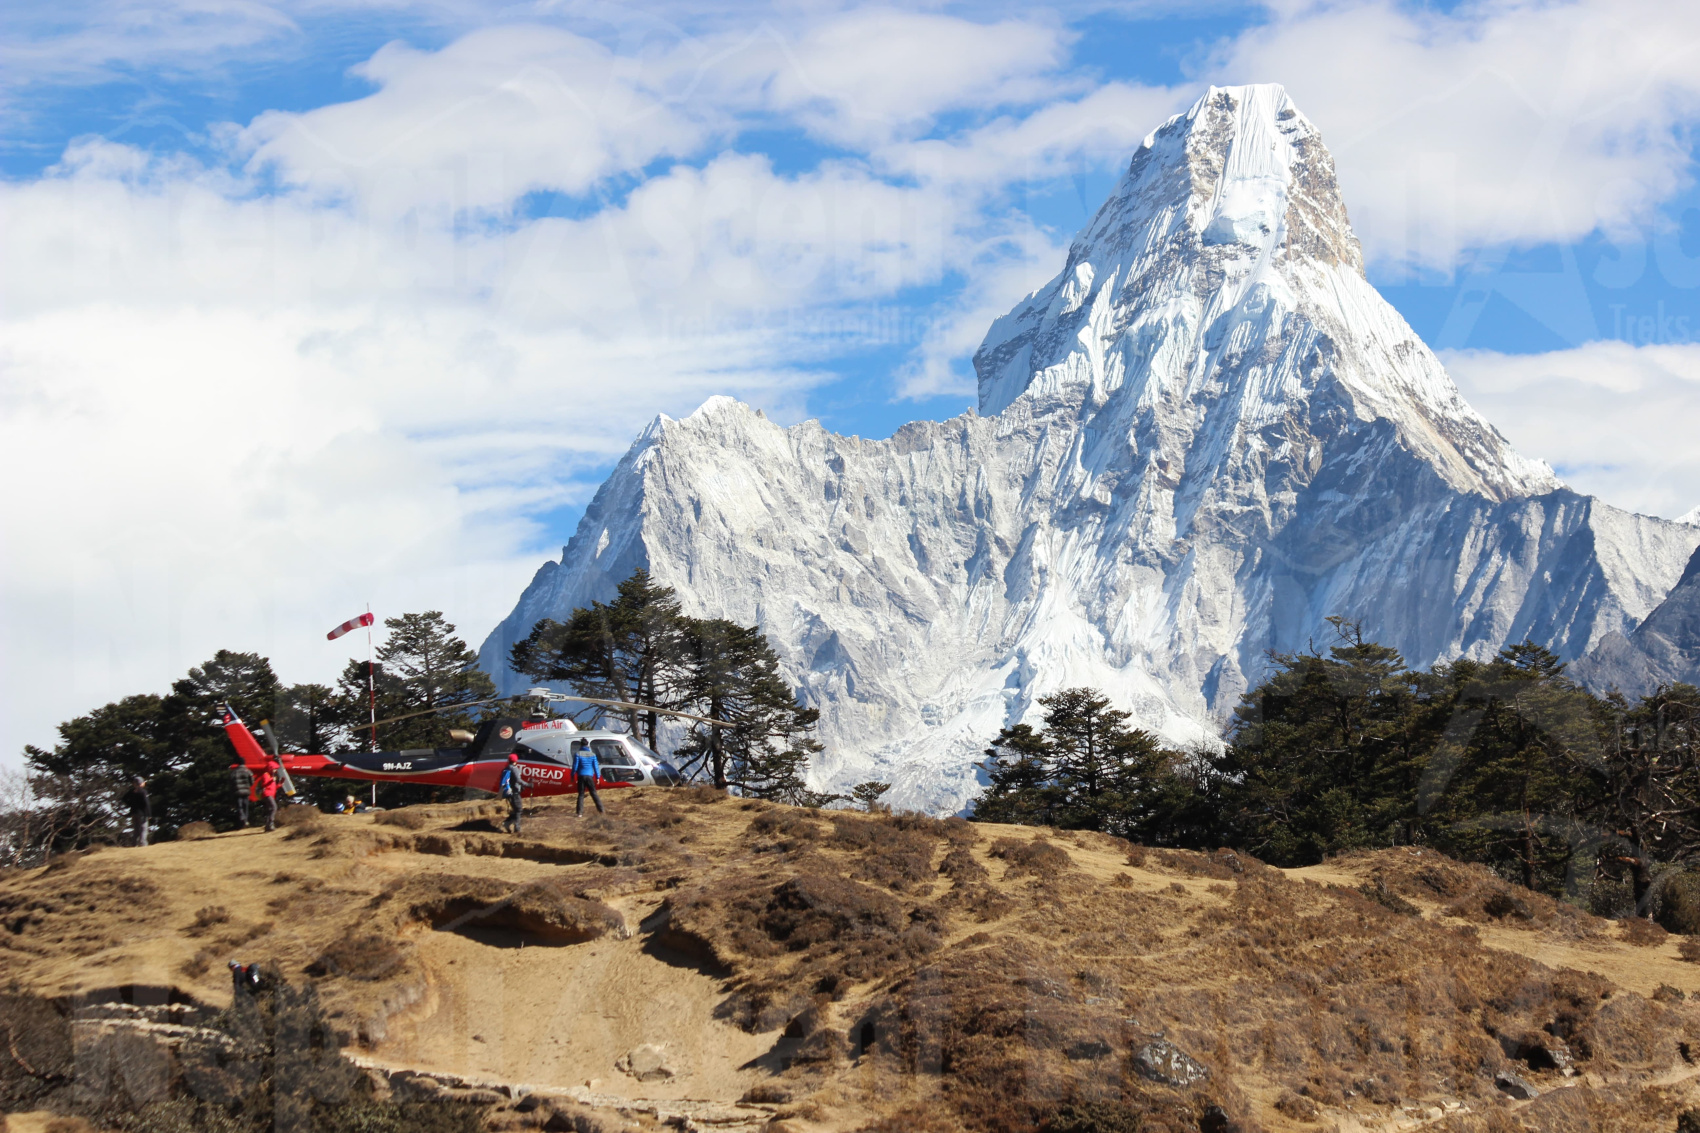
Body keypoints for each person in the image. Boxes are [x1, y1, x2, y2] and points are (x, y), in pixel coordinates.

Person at [572, 740, 604, 817]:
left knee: (581, 794)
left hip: (581, 776)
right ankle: (601, 810)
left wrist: (572, 775)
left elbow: (575, 766)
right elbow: (596, 767)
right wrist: (597, 777)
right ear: (587, 745)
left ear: (581, 745)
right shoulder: (592, 755)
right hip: (589, 776)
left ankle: (579, 813)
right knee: (593, 793)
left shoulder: (578, 754)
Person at [499, 753, 528, 834]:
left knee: (516, 810)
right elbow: (518, 780)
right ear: (516, 760)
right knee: (519, 810)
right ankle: (516, 828)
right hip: (514, 793)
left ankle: (508, 823)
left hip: (509, 793)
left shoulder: (507, 768)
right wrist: (527, 785)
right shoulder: (514, 769)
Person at [121, 776, 151, 846]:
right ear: (141, 783)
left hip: (133, 813)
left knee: (136, 830)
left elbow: (124, 798)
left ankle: (134, 844)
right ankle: (143, 844)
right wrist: (149, 814)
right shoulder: (143, 791)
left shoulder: (131, 791)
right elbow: (146, 803)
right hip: (142, 814)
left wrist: (130, 804)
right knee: (144, 829)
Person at [254, 760, 280, 832]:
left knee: (270, 809)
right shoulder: (266, 774)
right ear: (270, 768)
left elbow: (272, 787)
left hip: (270, 794)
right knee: (274, 807)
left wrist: (279, 785)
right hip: (267, 794)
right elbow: (264, 784)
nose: (275, 771)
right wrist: (272, 780)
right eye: (274, 769)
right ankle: (271, 823)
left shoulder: (271, 776)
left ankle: (267, 826)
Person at [231, 762, 253, 827]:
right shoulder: (247, 771)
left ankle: (242, 817)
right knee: (245, 806)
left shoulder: (234, 772)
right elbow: (252, 780)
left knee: (239, 806)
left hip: (237, 791)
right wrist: (249, 786)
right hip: (246, 791)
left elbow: (231, 782)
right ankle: (245, 820)